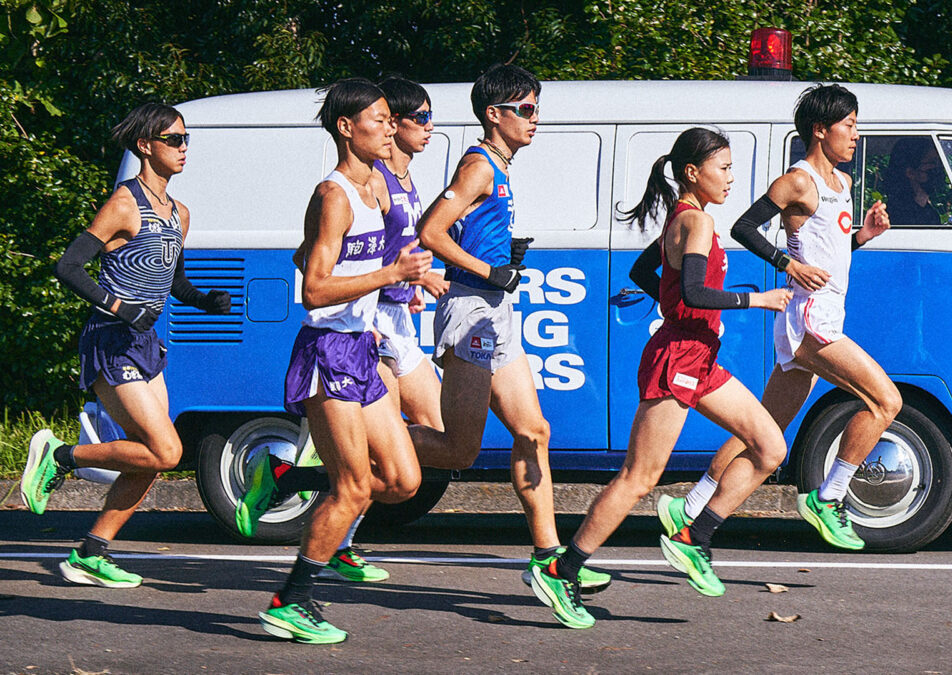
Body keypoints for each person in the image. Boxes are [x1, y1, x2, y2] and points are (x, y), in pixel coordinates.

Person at [528, 128, 793, 629]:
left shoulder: (685, 219)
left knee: (769, 447)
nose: (732, 178)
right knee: (639, 478)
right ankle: (563, 570)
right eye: (725, 168)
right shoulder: (694, 221)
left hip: (701, 358)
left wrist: (672, 301)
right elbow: (693, 291)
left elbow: (642, 271)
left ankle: (694, 536)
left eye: (732, 168)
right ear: (693, 173)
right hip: (677, 360)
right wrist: (754, 299)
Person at [658, 84, 899, 552]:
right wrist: (787, 266)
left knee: (765, 423)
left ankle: (692, 507)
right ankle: (829, 498)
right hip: (808, 319)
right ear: (820, 130)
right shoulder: (799, 180)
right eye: (848, 125)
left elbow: (825, 253)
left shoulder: (843, 185)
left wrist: (864, 236)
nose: (855, 135)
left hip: (825, 312)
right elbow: (743, 227)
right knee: (885, 402)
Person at [406, 64, 610, 592]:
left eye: (537, 108)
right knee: (459, 451)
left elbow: (466, 230)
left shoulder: (501, 165)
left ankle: (548, 557)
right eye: (525, 109)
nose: (534, 119)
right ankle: (335, 451)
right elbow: (431, 231)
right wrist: (486, 268)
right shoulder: (478, 165)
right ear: (494, 115)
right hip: (471, 309)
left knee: (533, 431)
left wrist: (501, 254)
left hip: (496, 309)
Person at [21, 103, 231, 588]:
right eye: (174, 139)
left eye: (186, 140)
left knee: (154, 456)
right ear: (145, 146)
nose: (183, 148)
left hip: (144, 342)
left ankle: (89, 554)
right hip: (111, 339)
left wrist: (205, 300)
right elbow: (69, 267)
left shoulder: (180, 213)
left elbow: (173, 281)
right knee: (165, 450)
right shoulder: (124, 202)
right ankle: (59, 456)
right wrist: (118, 307)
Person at [252, 78, 432, 645]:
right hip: (327, 351)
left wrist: (408, 271)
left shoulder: (376, 185)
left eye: (388, 119)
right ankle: (292, 599)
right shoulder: (333, 194)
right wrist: (389, 275)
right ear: (346, 128)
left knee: (402, 481)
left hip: (362, 346)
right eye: (377, 120)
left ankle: (291, 481)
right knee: (354, 487)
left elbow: (313, 253)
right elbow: (314, 289)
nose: (389, 127)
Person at [880, 137, 946, 226]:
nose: (937, 168)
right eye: (932, 162)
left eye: (939, 162)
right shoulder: (895, 216)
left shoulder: (930, 214)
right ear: (910, 172)